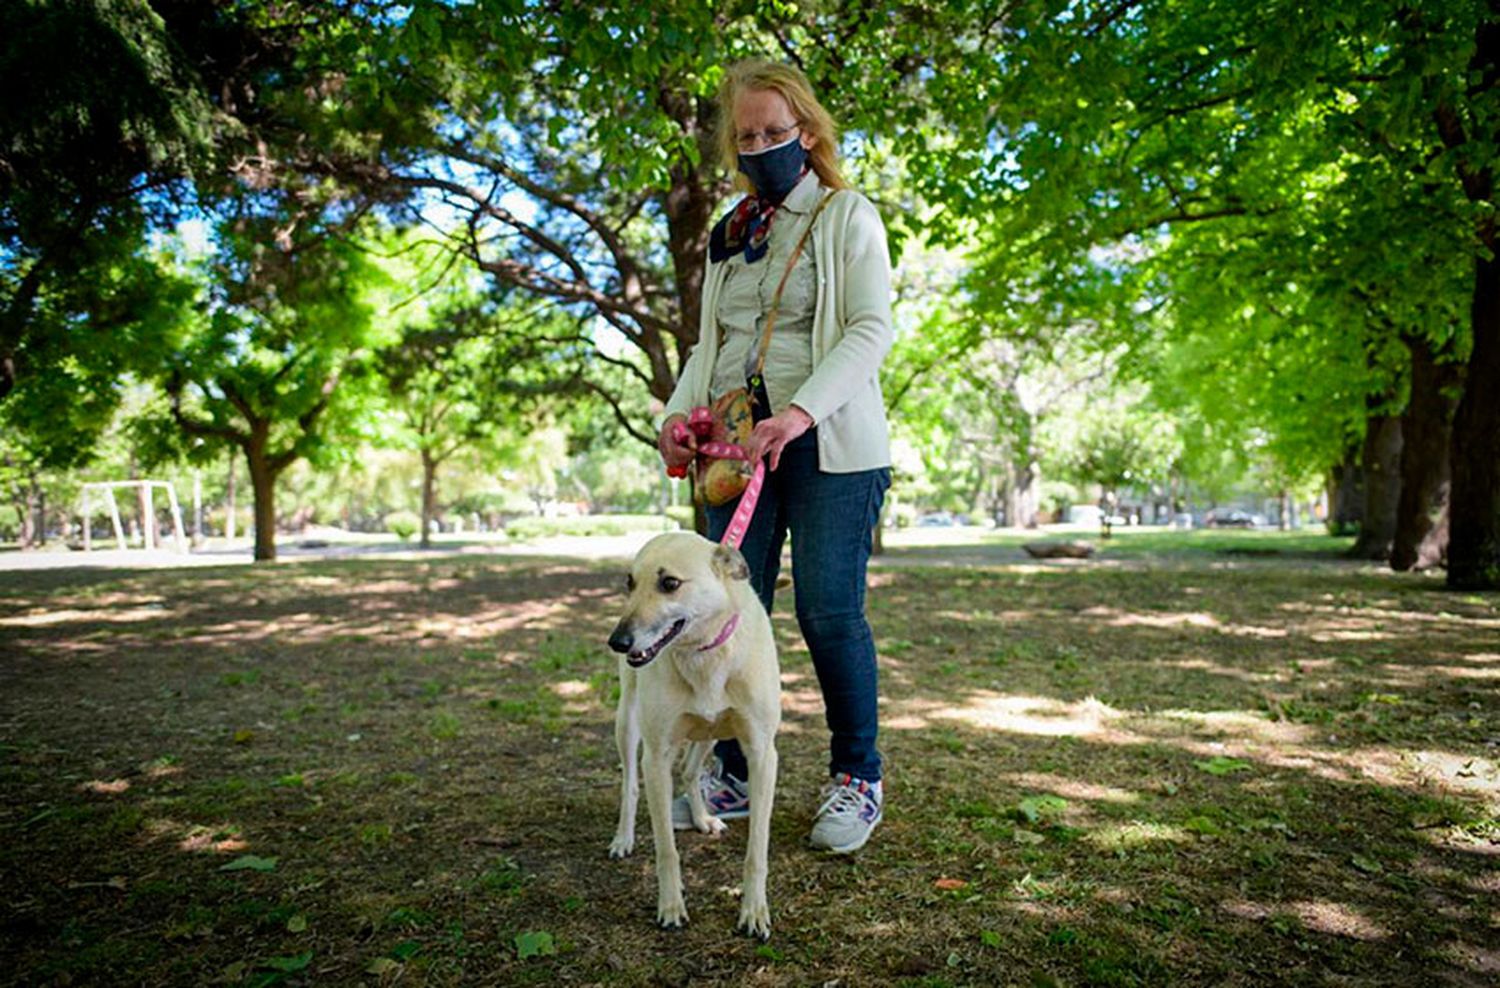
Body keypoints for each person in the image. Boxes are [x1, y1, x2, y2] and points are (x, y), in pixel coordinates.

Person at [656, 59, 894, 854]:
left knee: (828, 612)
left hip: (830, 448)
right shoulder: (730, 233)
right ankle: (728, 765)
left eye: (775, 131)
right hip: (734, 453)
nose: (761, 145)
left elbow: (869, 330)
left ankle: (856, 777)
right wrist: (676, 417)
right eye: (747, 135)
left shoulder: (845, 215)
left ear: (808, 133)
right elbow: (710, 345)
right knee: (718, 613)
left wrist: (795, 414)